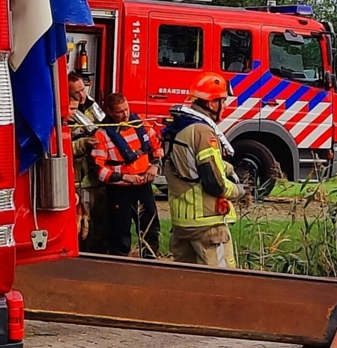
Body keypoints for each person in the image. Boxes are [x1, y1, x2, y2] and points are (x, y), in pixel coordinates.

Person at [160, 72, 246, 268]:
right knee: (222, 284)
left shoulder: (178, 127)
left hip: (182, 223)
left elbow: (188, 164)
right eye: (222, 101)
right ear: (211, 103)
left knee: (188, 284)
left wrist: (227, 167)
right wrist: (237, 191)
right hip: (207, 224)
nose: (224, 106)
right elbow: (213, 182)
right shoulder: (203, 132)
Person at [90, 92, 163, 258]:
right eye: (119, 112)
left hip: (143, 185)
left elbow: (157, 147)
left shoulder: (141, 124)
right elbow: (99, 171)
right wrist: (124, 177)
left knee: (151, 230)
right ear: (109, 112)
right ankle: (119, 267)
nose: (125, 114)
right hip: (119, 191)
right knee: (119, 234)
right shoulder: (102, 135)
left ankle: (151, 261)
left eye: (126, 109)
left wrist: (155, 166)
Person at [67, 95, 108, 253]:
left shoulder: (89, 112)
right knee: (78, 224)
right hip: (74, 180)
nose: (73, 112)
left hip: (90, 180)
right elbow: (58, 149)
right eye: (70, 108)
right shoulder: (55, 122)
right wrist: (83, 143)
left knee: (90, 222)